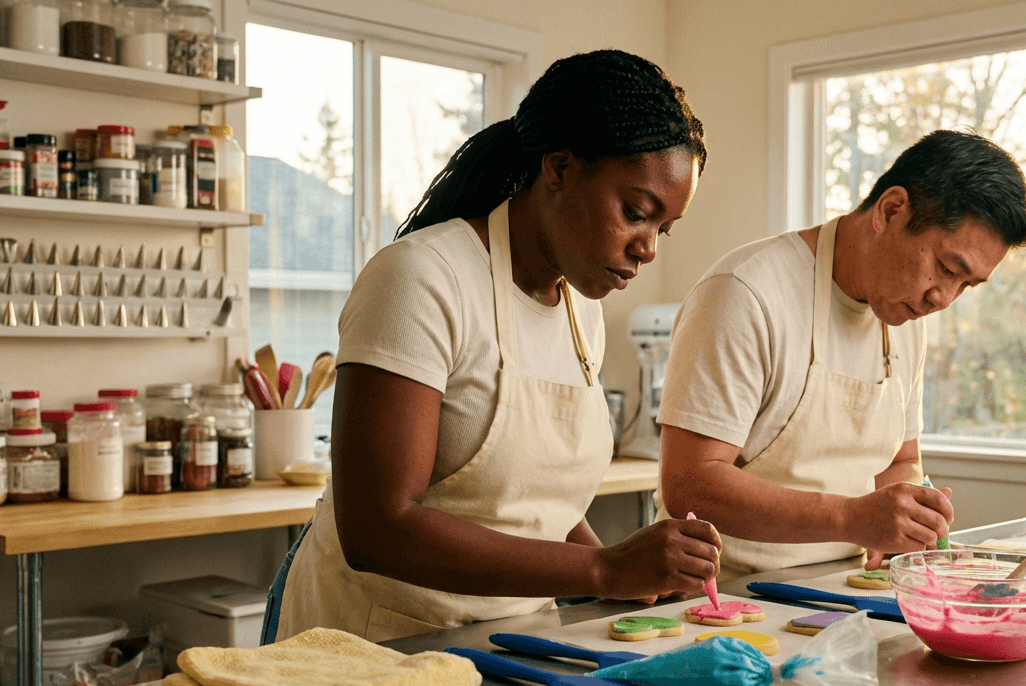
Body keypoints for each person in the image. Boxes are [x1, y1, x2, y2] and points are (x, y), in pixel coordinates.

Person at [266, 50, 719, 643]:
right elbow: (376, 529)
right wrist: (605, 569)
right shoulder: (423, 278)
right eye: (636, 213)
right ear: (558, 169)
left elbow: (533, 504)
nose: (648, 248)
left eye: (663, 228)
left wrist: (636, 573)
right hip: (370, 643)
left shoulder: (582, 309)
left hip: (506, 641)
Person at [656, 129, 1026, 576]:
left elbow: (898, 460)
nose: (944, 298)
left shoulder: (904, 317)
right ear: (891, 210)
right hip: (727, 593)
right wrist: (852, 519)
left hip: (846, 588)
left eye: (966, 285)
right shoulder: (746, 294)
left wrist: (908, 528)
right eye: (947, 268)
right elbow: (690, 482)